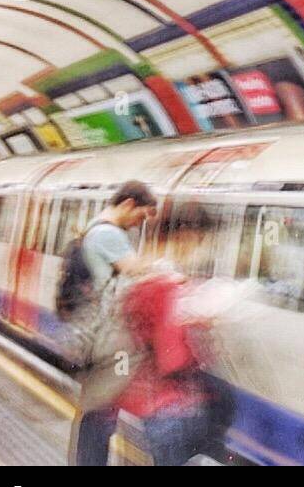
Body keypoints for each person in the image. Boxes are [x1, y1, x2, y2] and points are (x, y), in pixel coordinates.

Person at [115, 202, 227, 465]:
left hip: (152, 402)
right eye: (202, 241)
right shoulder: (167, 283)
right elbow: (171, 357)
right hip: (171, 406)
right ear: (187, 236)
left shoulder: (147, 273)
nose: (203, 249)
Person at [68, 180, 157, 466]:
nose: (137, 224)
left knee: (98, 410)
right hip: (106, 339)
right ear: (128, 204)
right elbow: (138, 271)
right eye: (140, 216)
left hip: (94, 334)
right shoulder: (109, 234)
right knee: (101, 413)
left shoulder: (95, 226)